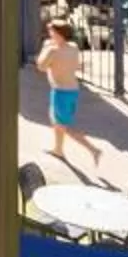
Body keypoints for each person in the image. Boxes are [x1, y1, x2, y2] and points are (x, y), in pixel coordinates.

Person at [39, 19, 98, 167]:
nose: (49, 33)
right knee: (58, 122)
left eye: (51, 31)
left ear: (58, 34)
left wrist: (45, 48)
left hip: (60, 93)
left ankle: (93, 150)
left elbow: (41, 66)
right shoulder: (73, 47)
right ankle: (58, 149)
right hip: (72, 91)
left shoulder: (52, 50)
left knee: (61, 126)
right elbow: (76, 65)